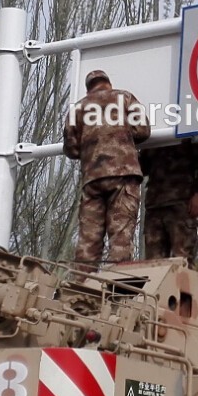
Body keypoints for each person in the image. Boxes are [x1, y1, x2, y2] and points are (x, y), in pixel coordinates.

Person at [63, 70, 150, 272]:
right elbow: (143, 130)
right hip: (123, 176)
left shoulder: (78, 109)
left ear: (89, 88)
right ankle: (114, 287)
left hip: (92, 180)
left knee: (88, 241)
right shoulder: (125, 98)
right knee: (120, 237)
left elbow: (71, 148)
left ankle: (81, 289)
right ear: (108, 84)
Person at [140, 140, 198, 264]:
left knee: (182, 261)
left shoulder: (190, 124)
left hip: (181, 204)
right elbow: (144, 164)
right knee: (153, 264)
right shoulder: (157, 127)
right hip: (155, 204)